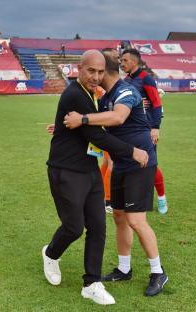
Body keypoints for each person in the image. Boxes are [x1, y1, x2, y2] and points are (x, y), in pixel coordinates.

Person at [44, 49, 149, 305]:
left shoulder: (92, 94)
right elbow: (96, 136)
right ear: (79, 69)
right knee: (73, 227)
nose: (96, 76)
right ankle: (50, 253)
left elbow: (95, 127)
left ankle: (92, 283)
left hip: (90, 168)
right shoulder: (74, 94)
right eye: (91, 70)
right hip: (66, 170)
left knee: (98, 227)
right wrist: (132, 151)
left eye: (101, 72)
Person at [64, 50, 168, 297]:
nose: (95, 76)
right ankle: (123, 269)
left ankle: (158, 272)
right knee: (120, 217)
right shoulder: (107, 95)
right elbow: (102, 128)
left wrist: (83, 119)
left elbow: (119, 118)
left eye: (99, 72)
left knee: (136, 220)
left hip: (139, 164)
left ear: (106, 72)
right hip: (122, 164)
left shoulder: (126, 91)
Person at [120, 48, 168, 214]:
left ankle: (161, 198)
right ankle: (136, 199)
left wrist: (155, 127)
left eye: (125, 60)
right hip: (129, 129)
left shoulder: (146, 78)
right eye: (121, 60)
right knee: (132, 163)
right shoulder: (126, 80)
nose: (122, 63)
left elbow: (156, 103)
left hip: (146, 130)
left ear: (134, 61)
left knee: (150, 165)